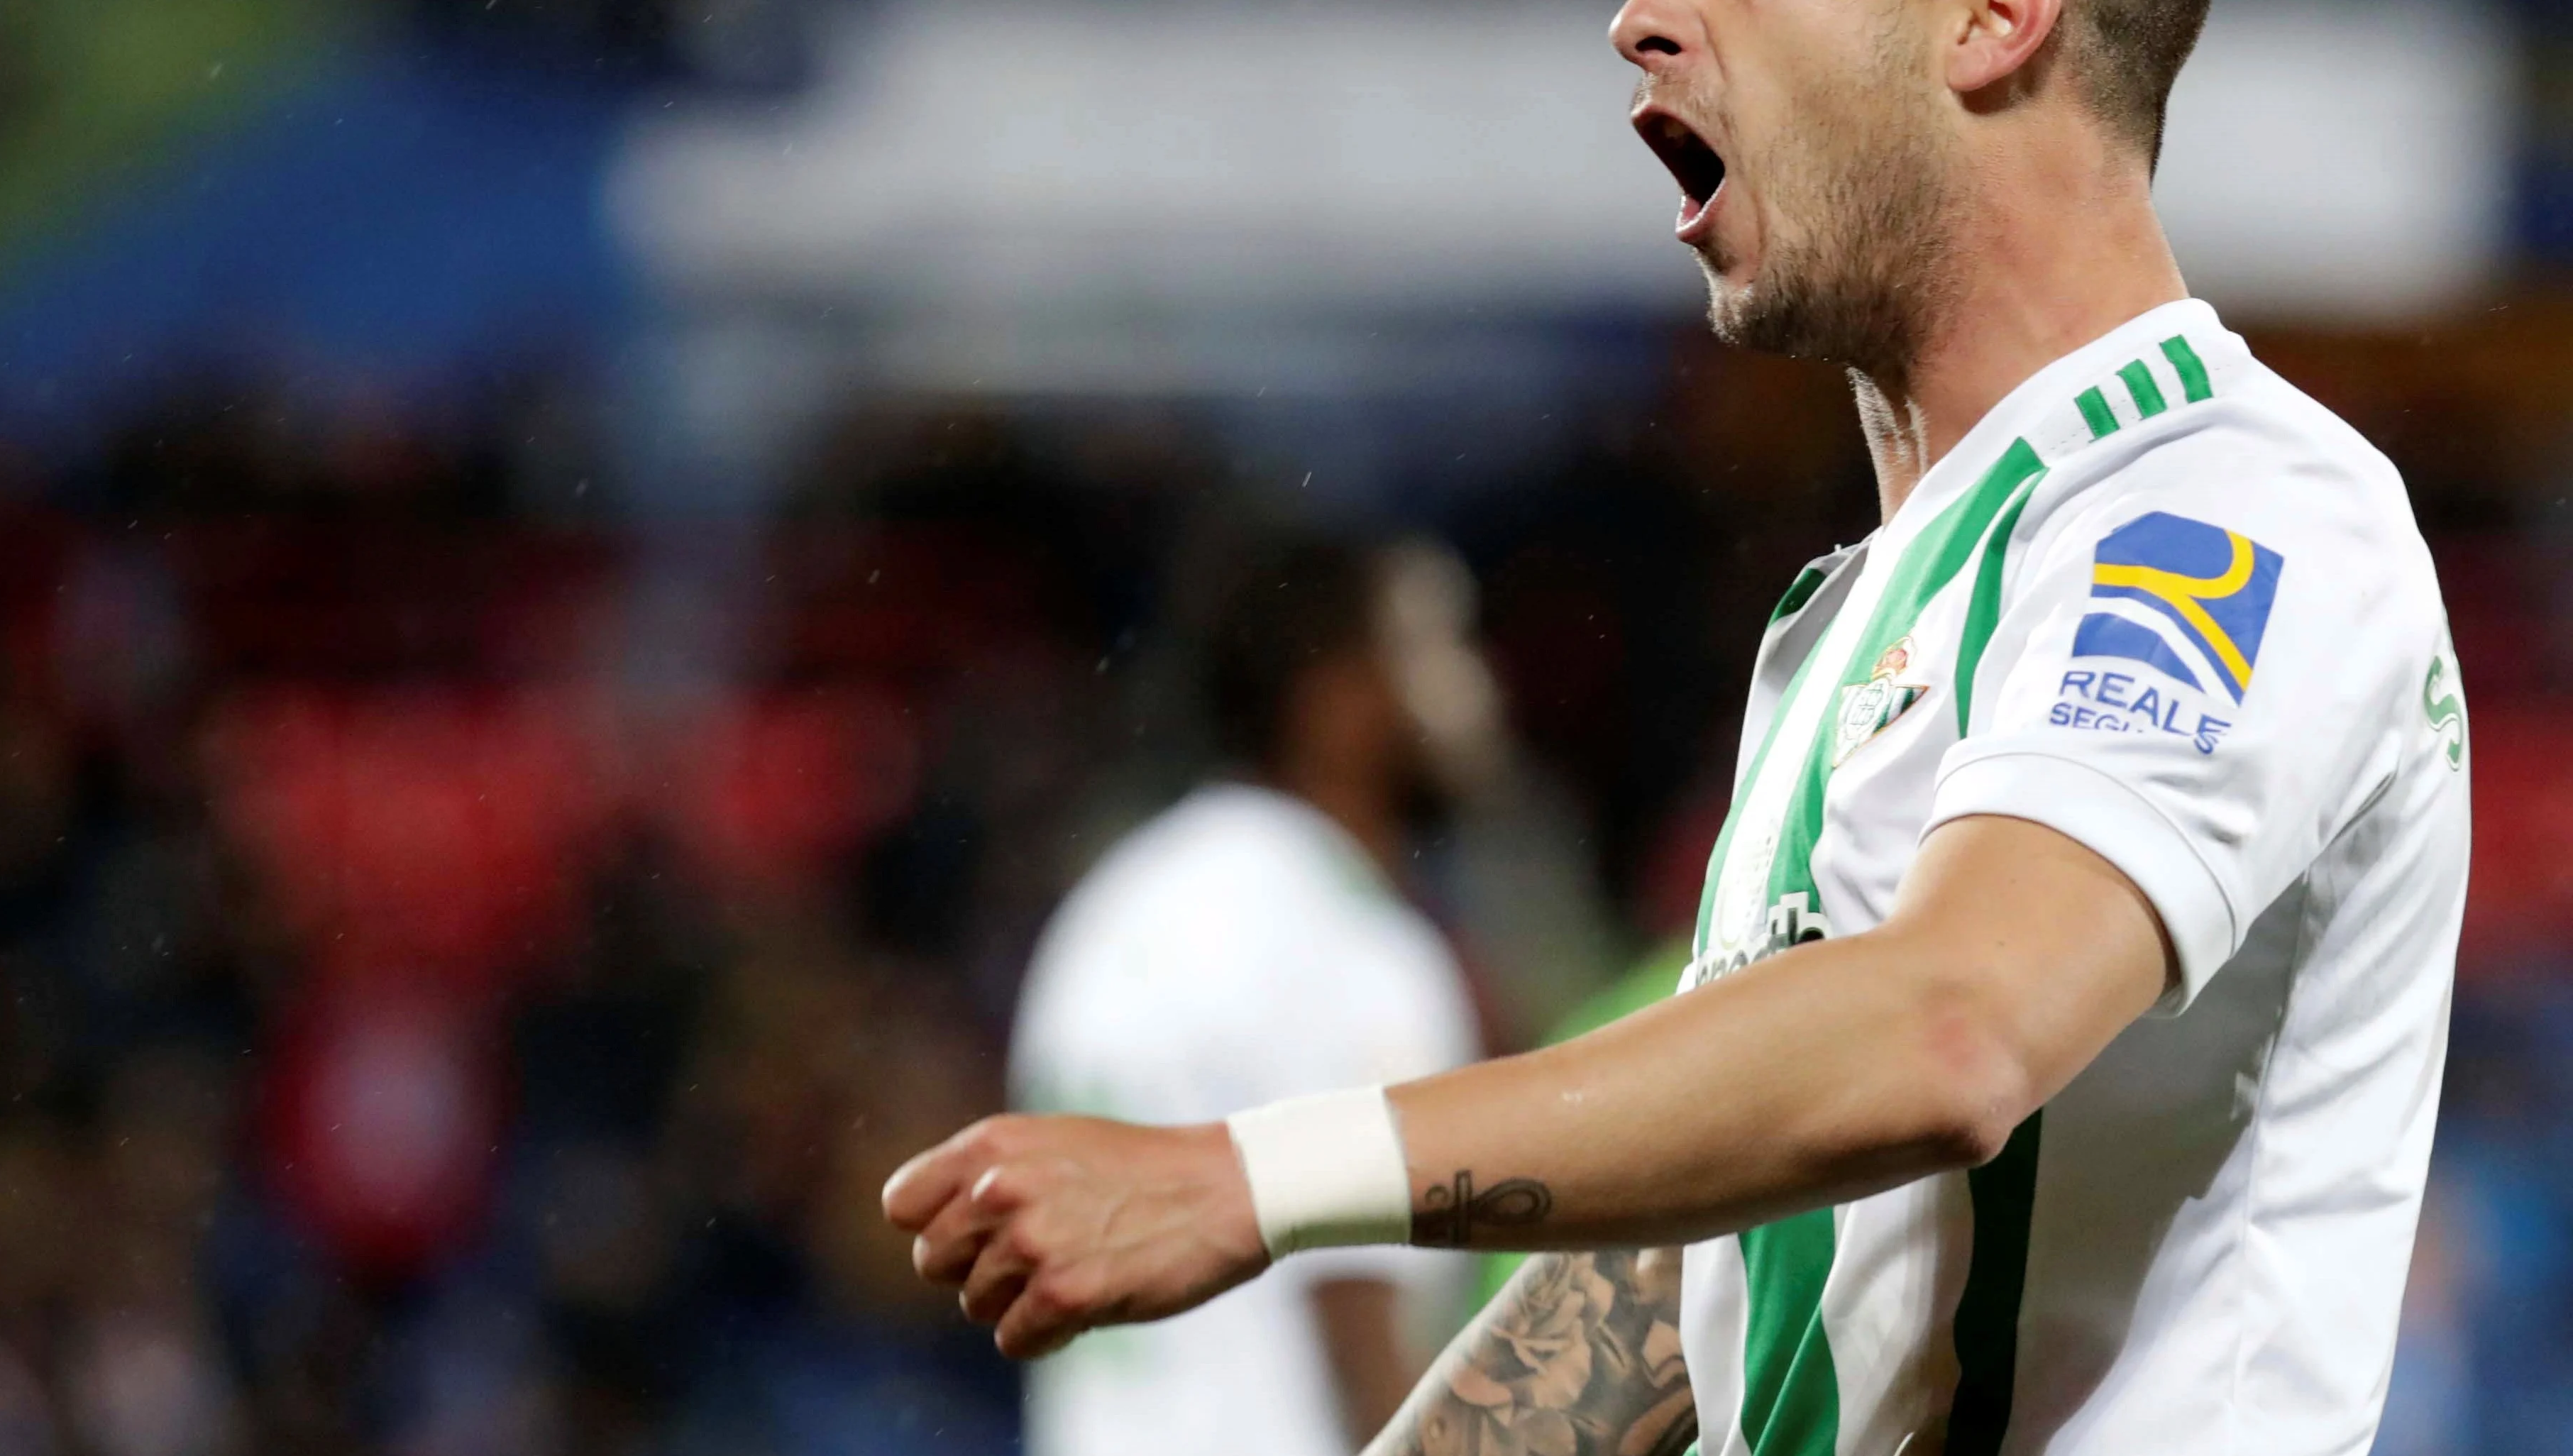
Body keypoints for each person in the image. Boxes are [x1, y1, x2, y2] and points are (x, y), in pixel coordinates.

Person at [884, 0, 2474, 1450]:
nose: (1639, 22)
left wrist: (1253, 1176)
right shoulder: (1873, 611)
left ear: (1995, 21)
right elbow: (1723, 1250)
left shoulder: (2225, 509)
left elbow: (1949, 1032)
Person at [1005, 534, 1494, 1456]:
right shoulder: (1343, 937)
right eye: (1434, 649)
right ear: (1336, 699)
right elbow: (1363, 1326)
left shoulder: (1114, 905)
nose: (1476, 690)